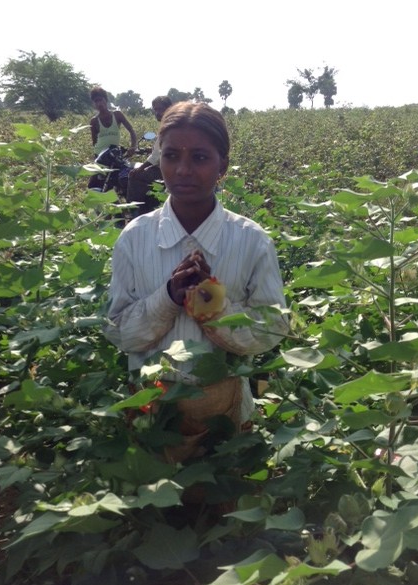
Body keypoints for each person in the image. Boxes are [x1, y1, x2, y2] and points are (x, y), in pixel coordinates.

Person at [104, 101, 288, 463]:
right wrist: (168, 297)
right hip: (152, 408)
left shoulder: (252, 241)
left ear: (223, 166)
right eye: (172, 155)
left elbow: (273, 330)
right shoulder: (134, 238)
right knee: (156, 507)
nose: (183, 169)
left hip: (226, 415)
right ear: (160, 161)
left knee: (222, 508)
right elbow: (119, 332)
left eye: (200, 157)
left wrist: (210, 300)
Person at [126, 95, 173, 216]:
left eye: (160, 109)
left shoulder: (167, 127)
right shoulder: (171, 125)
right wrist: (149, 149)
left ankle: (134, 211)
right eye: (155, 109)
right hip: (169, 168)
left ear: (169, 109)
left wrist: (140, 169)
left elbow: (156, 157)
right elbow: (159, 150)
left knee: (134, 176)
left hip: (162, 170)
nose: (157, 112)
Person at [88, 86, 137, 190]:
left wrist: (133, 146)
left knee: (122, 182)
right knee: (93, 186)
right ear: (94, 104)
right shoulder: (94, 121)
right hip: (101, 157)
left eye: (100, 100)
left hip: (114, 155)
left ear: (106, 100)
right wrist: (95, 159)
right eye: (96, 101)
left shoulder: (117, 115)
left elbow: (131, 130)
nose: (99, 103)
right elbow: (94, 142)